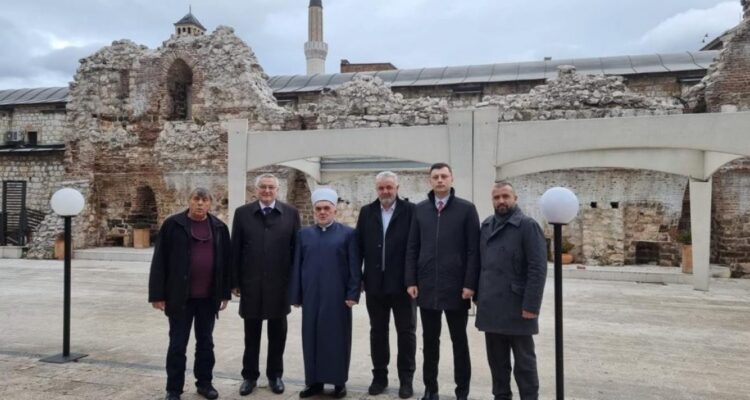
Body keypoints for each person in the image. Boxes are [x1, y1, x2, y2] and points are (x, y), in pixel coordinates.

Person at [405, 162, 480, 400]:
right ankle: (431, 389)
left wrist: (470, 283)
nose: (440, 180)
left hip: (457, 289)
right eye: (435, 176)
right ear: (430, 180)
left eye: (444, 176)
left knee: (459, 342)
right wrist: (411, 280)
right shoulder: (420, 210)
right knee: (429, 343)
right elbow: (412, 247)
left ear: (451, 179)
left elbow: (473, 250)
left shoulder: (466, 209)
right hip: (427, 287)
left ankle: (462, 391)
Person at [148, 188, 231, 400]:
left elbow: (225, 263)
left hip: (208, 298)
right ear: (189, 201)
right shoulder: (173, 225)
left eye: (204, 200)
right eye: (196, 199)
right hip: (179, 297)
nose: (200, 204)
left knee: (206, 343)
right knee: (177, 344)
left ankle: (205, 383)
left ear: (210, 203)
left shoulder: (219, 227)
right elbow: (159, 260)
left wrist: (224, 293)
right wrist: (157, 294)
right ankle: (173, 389)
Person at [475, 181, 547, 400]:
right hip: (491, 305)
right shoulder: (486, 225)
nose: (501, 201)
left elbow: (537, 268)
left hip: (518, 306)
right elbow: (480, 263)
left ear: (515, 198)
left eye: (505, 196)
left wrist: (531, 305)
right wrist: (479, 295)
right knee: (497, 362)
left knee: (524, 363)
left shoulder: (528, 226)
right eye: (496, 197)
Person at [231, 173, 300, 396]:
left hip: (280, 285)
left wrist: (295, 284)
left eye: (271, 187)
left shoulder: (290, 213)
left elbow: (296, 251)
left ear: (277, 190)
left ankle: (275, 375)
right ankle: (249, 376)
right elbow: (235, 249)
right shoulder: (242, 214)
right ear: (256, 189)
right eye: (263, 187)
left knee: (278, 334)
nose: (267, 191)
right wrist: (234, 281)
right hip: (251, 283)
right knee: (251, 334)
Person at [289, 187, 362, 399]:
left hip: (337, 296)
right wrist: (296, 295)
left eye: (326, 208)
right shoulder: (303, 235)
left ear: (334, 210)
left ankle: (339, 382)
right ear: (314, 211)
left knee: (337, 338)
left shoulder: (348, 234)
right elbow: (297, 265)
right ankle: (314, 382)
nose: (322, 212)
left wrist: (353, 293)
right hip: (311, 295)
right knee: (311, 337)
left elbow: (355, 266)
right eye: (318, 209)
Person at [355, 171, 416, 398]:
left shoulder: (411, 211)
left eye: (389, 187)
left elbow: (415, 247)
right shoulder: (367, 212)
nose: (385, 191)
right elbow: (358, 248)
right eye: (381, 188)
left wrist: (413, 279)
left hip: (403, 285)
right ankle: (379, 377)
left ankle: (406, 380)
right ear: (376, 189)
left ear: (397, 188)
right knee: (378, 332)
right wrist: (358, 278)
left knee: (406, 333)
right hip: (375, 284)